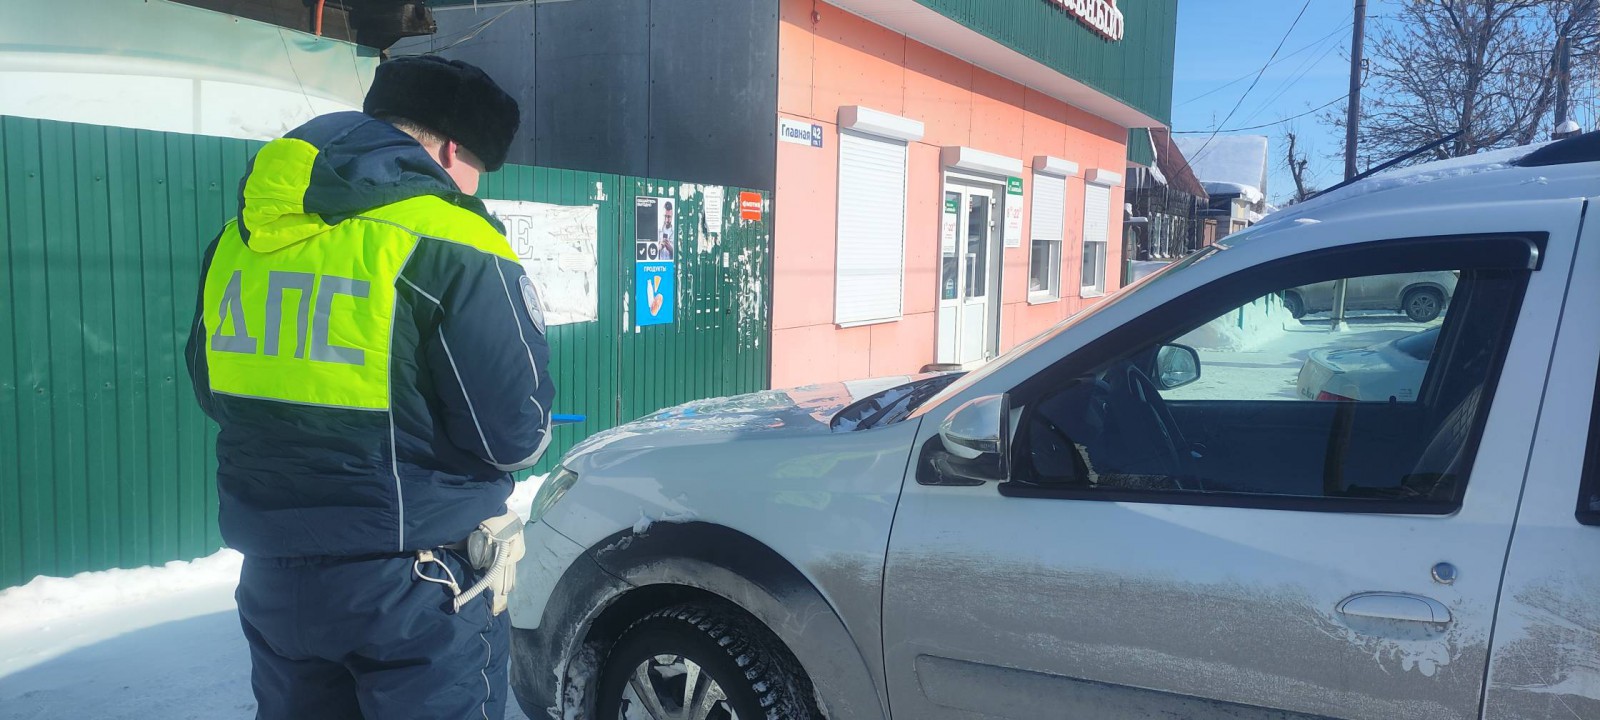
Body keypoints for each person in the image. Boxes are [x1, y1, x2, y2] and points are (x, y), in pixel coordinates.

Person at [184, 55, 554, 720]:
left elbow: (215, 392)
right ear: (451, 148)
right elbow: (512, 436)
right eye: (479, 167)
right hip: (417, 585)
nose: (474, 186)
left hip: (274, 579)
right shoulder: (454, 239)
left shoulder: (238, 242)